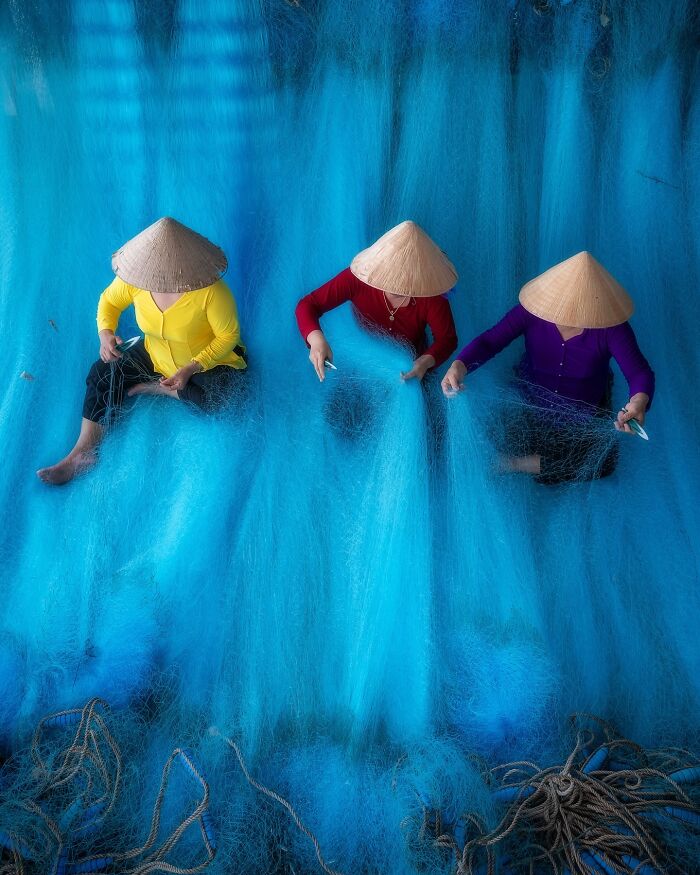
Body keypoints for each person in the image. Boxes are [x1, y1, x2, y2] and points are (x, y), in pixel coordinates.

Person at [37, 217, 247, 485]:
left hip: (208, 361)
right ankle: (82, 452)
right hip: (155, 353)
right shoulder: (136, 281)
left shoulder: (213, 292)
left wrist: (192, 367)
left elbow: (228, 336)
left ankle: (162, 389)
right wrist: (105, 335)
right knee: (102, 372)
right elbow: (109, 302)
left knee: (222, 398)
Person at [441, 251, 655, 483]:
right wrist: (459, 366)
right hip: (531, 397)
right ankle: (536, 462)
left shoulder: (611, 328)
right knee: (498, 435)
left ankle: (516, 464)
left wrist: (638, 402)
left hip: (584, 408)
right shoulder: (531, 313)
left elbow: (638, 372)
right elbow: (490, 341)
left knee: (605, 460)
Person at [295, 221, 458, 383]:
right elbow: (308, 305)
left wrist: (424, 362)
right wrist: (317, 340)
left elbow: (447, 339)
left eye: (406, 279)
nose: (398, 285)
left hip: (409, 365)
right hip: (361, 357)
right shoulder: (357, 279)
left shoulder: (432, 295)